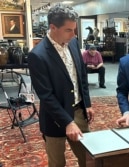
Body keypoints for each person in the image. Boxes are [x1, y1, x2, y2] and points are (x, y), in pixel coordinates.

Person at [28, 4, 94, 167]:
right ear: (53, 27)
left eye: (74, 29)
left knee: (89, 159)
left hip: (79, 111)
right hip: (54, 118)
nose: (74, 34)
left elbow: (81, 75)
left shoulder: (73, 43)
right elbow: (46, 95)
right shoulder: (38, 55)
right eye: (68, 30)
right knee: (57, 163)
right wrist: (67, 122)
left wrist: (87, 103)